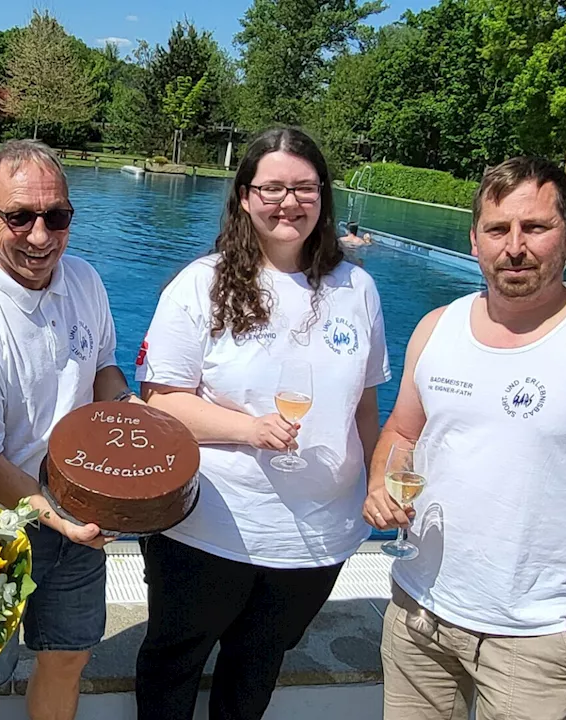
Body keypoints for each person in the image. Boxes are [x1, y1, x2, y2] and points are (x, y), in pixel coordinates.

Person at [365, 156, 566, 720]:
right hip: (417, 612)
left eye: (535, 228)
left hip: (531, 639)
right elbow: (401, 431)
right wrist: (378, 484)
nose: (515, 246)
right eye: (498, 229)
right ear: (475, 241)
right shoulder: (437, 328)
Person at [133, 126, 389, 720]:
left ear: (324, 196)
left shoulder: (359, 289)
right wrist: (249, 430)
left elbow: (365, 406)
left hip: (314, 540)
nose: (288, 202)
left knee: (257, 668)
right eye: (271, 187)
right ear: (245, 197)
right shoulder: (202, 284)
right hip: (208, 526)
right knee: (174, 663)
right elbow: (160, 401)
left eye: (304, 187)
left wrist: (378, 481)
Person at [0, 140, 139, 720]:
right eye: (19, 217)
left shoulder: (85, 280)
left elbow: (102, 366)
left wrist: (126, 409)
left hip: (74, 509)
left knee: (68, 657)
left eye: (56, 216)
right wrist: (59, 518)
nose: (40, 236)